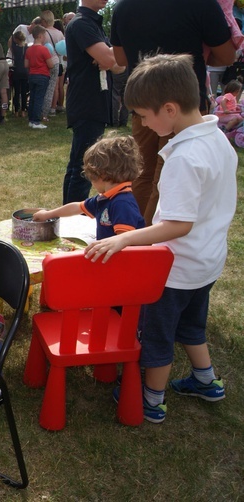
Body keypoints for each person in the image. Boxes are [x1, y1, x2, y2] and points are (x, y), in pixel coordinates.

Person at [85, 54, 237, 423]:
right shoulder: (216, 137)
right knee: (191, 327)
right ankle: (206, 381)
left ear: (169, 109)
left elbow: (177, 225)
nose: (142, 123)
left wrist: (125, 240)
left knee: (156, 338)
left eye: (143, 115)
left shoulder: (184, 157)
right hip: (207, 261)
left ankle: (151, 400)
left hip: (175, 270)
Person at [110, 0, 235, 225]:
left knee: (143, 173)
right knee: (165, 174)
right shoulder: (201, 4)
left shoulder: (122, 7)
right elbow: (227, 56)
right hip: (185, 105)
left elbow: (120, 59)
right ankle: (143, 242)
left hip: (144, 105)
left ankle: (132, 234)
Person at [62, 0, 124, 204]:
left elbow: (119, 65)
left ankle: (70, 217)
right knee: (83, 167)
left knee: (80, 165)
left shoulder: (93, 23)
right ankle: (73, 220)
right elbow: (112, 61)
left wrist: (110, 60)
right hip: (86, 102)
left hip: (93, 102)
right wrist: (110, 60)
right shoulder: (81, 24)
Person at [33, 134, 145, 240]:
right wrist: (48, 214)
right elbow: (77, 207)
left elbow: (124, 241)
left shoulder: (122, 203)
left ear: (101, 174)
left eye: (90, 176)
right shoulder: (105, 198)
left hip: (120, 258)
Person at [24, 25, 54, 130]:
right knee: (39, 98)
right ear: (40, 36)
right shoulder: (44, 49)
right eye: (44, 35)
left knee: (32, 97)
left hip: (32, 75)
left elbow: (26, 65)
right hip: (42, 75)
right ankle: (36, 121)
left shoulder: (29, 50)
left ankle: (31, 119)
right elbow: (51, 65)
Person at [39, 11, 65, 120]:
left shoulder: (43, 33)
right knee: (53, 88)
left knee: (43, 88)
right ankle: (52, 109)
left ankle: (42, 111)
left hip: (44, 62)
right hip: (56, 62)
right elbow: (63, 50)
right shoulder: (59, 33)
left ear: (44, 21)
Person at [10, 31, 29, 118]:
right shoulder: (27, 47)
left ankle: (16, 110)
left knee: (17, 91)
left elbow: (10, 41)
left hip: (17, 71)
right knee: (24, 92)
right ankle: (23, 110)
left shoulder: (14, 48)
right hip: (25, 71)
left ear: (16, 39)